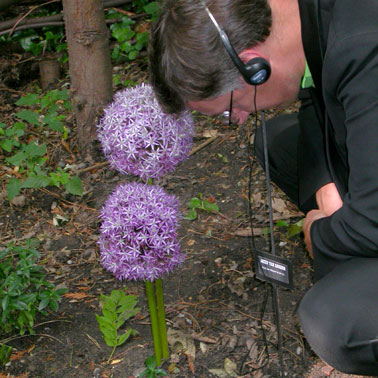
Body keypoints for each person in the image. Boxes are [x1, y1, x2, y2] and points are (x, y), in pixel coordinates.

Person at [148, 0, 378, 374]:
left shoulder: (365, 49)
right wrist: (324, 185)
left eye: (230, 109)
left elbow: (373, 223)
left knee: (337, 322)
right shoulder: (312, 18)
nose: (236, 121)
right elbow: (312, 98)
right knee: (278, 143)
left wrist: (321, 232)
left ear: (254, 66)